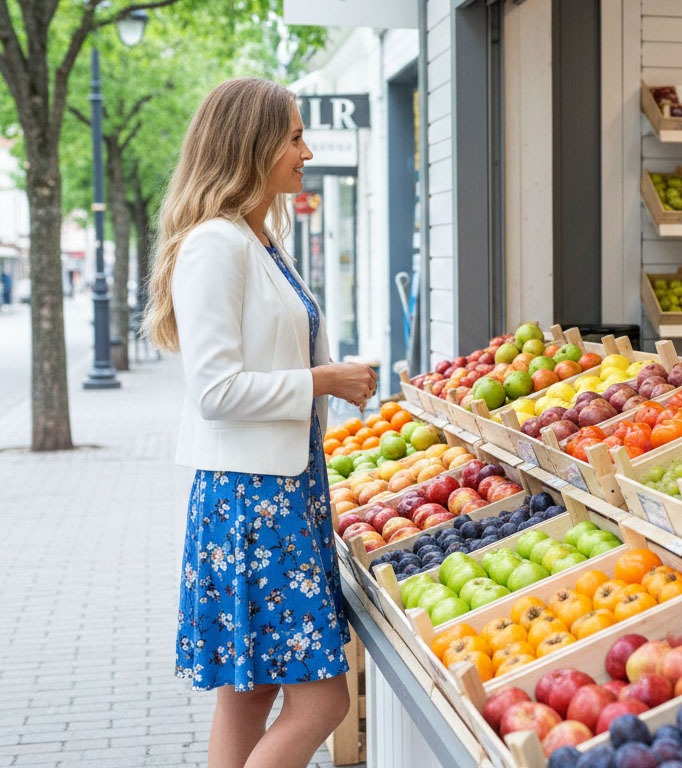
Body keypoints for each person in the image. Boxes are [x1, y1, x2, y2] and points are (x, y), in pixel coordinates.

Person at [143, 78, 378, 768]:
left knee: (248, 696)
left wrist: (332, 376)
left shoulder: (256, 237)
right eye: (295, 136)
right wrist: (322, 381)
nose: (306, 150)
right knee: (324, 704)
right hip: (255, 501)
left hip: (277, 490)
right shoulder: (217, 243)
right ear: (252, 145)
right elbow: (213, 389)